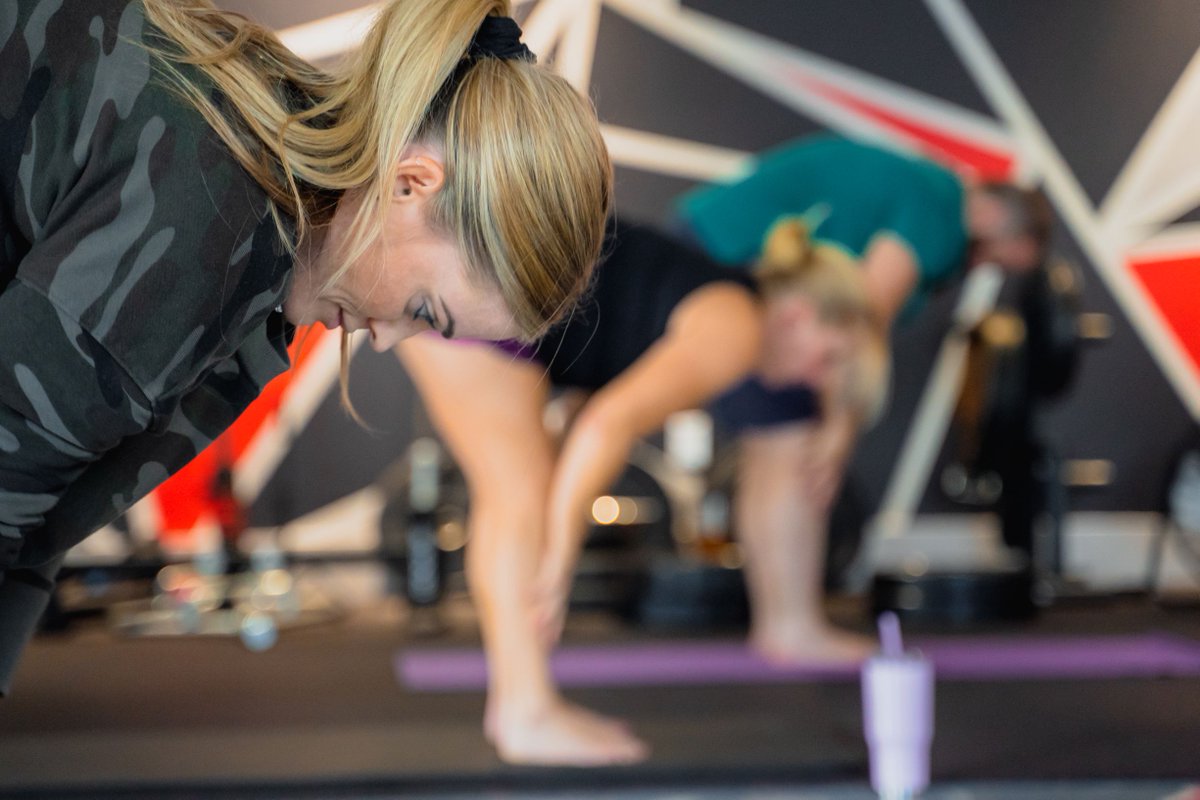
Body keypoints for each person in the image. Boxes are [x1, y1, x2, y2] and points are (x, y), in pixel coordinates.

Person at [0, 0, 612, 696]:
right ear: (411, 184)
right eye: (422, 310)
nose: (385, 338)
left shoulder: (265, 267)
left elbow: (40, 525)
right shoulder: (213, 213)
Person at [397, 215, 884, 765]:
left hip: (485, 266)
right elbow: (606, 425)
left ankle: (523, 706)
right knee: (516, 494)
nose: (819, 380)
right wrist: (558, 553)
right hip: (480, 269)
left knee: (518, 490)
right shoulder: (738, 327)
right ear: (797, 316)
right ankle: (524, 712)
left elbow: (591, 393)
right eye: (832, 357)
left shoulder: (721, 307)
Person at [670, 134, 1052, 665]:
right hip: (726, 262)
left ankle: (782, 626)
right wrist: (839, 432)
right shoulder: (940, 212)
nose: (982, 267)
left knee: (773, 446)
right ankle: (791, 629)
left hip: (710, 253)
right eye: (990, 254)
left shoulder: (924, 189)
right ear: (987, 210)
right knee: (794, 441)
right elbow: (861, 317)